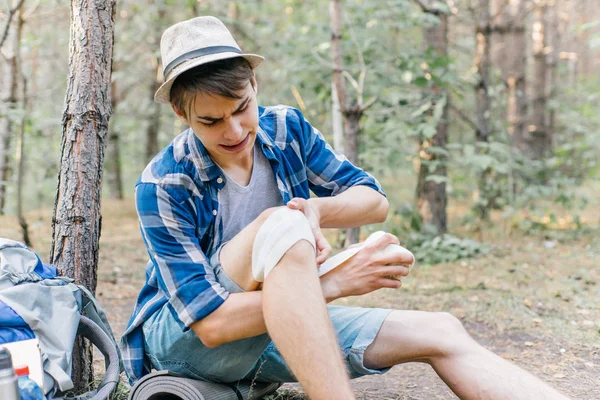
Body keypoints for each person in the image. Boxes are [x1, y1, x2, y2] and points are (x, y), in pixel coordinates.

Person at [121, 16, 568, 400]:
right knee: (280, 224)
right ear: (182, 115)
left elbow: (374, 200)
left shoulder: (286, 128)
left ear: (255, 85)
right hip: (185, 342)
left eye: (243, 108)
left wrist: (318, 212)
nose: (235, 130)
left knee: (442, 330)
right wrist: (331, 283)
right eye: (211, 121)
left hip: (279, 325)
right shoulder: (164, 183)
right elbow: (210, 326)